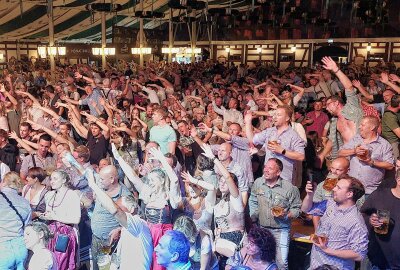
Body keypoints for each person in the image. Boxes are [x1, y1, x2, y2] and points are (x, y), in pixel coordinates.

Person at [86, 170, 153, 270]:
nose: (118, 216)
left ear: (131, 209)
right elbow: (119, 255)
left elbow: (116, 212)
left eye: (121, 210)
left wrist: (93, 185)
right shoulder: (126, 230)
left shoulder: (139, 225)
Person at [301, 176, 368, 269]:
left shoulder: (356, 221)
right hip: (315, 265)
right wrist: (310, 195)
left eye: (338, 188)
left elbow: (359, 255)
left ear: (349, 194)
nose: (334, 189)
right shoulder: (330, 204)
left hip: (336, 267)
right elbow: (306, 209)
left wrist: (328, 250)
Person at [249, 158, 301, 269]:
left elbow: (297, 209)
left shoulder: (290, 188)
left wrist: (286, 215)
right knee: (262, 260)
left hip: (281, 230)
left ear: (278, 172)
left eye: (270, 168)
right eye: (265, 167)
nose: (266, 170)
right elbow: (253, 200)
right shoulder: (258, 183)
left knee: (281, 263)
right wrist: (253, 218)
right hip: (262, 229)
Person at [245, 105, 306, 184]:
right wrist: (248, 122)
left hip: (283, 179)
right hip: (267, 176)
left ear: (287, 118)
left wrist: (282, 151)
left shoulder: (293, 135)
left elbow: (301, 156)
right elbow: (252, 140)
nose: (275, 117)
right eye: (275, 115)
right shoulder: (270, 131)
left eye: (279, 115)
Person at [338, 116, 394, 195]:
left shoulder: (384, 144)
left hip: (370, 191)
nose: (359, 127)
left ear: (372, 127)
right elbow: (340, 152)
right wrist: (354, 151)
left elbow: (390, 165)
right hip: (352, 188)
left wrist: (371, 162)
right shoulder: (356, 139)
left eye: (362, 125)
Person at [40, 170, 81, 270]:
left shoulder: (72, 195)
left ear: (63, 180)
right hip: (50, 233)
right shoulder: (49, 195)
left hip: (65, 235)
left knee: (62, 263)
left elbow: (76, 219)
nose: (52, 181)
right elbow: (49, 213)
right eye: (51, 179)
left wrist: (55, 217)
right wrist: (45, 216)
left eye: (55, 179)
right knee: (51, 262)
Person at [360, 170, 400, 269]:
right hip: (380, 260)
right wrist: (370, 220)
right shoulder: (380, 195)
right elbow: (362, 214)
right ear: (398, 180)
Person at [0, 172, 32, 270]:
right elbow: (27, 226)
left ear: (4, 183)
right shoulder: (25, 202)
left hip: (3, 247)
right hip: (21, 245)